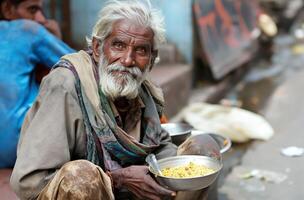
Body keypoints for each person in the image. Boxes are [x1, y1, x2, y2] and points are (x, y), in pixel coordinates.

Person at [10, 0, 219, 199]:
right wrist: (117, 179)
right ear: (99, 49)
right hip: (83, 193)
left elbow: (160, 145)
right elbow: (30, 182)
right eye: (118, 45)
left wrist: (169, 170)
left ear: (152, 60)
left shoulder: (143, 90)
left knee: (203, 148)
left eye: (140, 50)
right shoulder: (65, 84)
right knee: (80, 177)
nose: (128, 60)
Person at [0, 0, 74, 168]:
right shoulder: (28, 30)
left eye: (41, 10)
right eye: (33, 9)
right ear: (8, 9)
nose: (40, 19)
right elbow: (82, 68)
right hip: (18, 149)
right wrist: (56, 38)